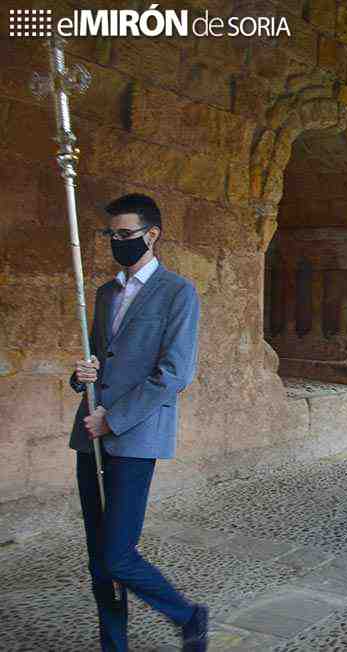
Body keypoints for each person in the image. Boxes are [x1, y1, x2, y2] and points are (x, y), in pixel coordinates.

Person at [69, 193, 208, 651]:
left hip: (133, 434)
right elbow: (97, 357)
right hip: (90, 433)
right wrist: (80, 375)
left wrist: (116, 419)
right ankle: (114, 646)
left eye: (125, 234)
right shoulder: (106, 293)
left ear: (152, 235)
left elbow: (175, 372)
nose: (117, 242)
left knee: (117, 554)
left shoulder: (178, 292)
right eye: (111, 234)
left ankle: (188, 615)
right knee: (98, 560)